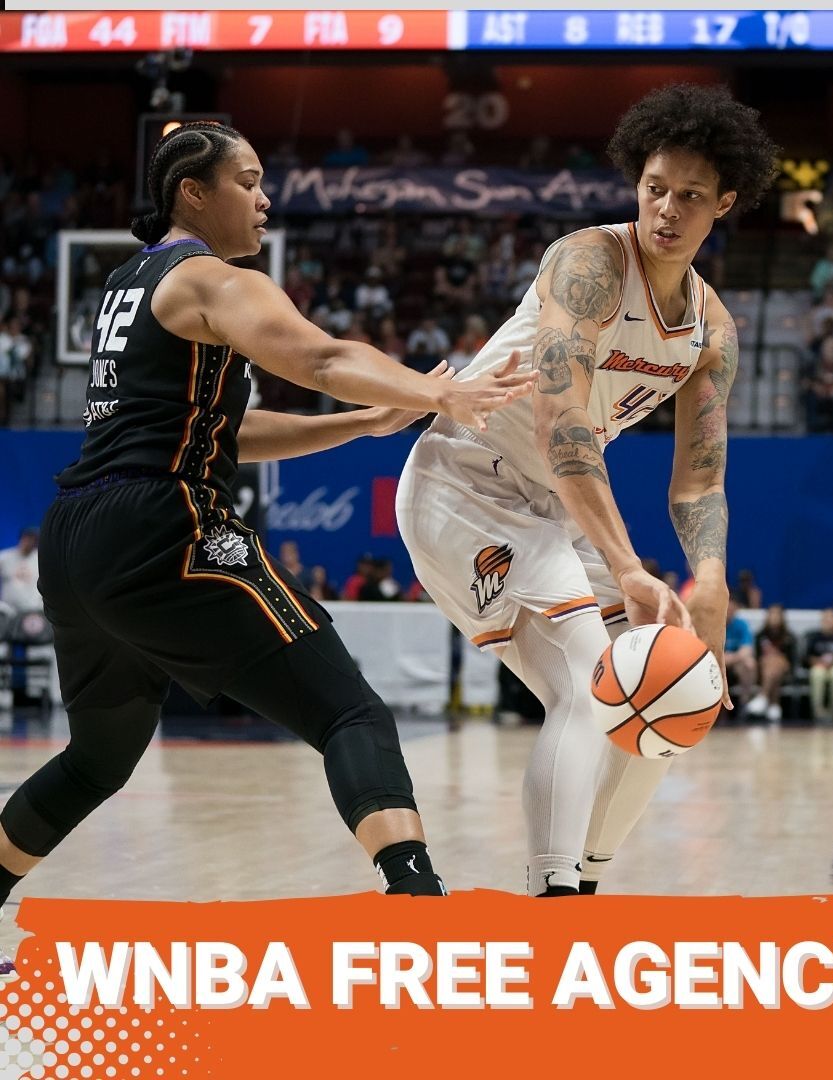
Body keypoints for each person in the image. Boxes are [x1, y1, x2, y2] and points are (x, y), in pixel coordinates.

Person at [3, 121, 535, 903]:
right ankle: (418, 902)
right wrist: (439, 391)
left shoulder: (130, 283)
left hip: (75, 539)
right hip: (162, 528)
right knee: (349, 711)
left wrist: (357, 424)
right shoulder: (209, 278)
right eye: (247, 181)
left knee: (97, 759)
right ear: (193, 191)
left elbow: (225, 431)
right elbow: (321, 358)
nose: (265, 197)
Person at [395, 85, 778, 896]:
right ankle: (552, 897)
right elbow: (559, 422)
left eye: (691, 196)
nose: (667, 209)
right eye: (655, 188)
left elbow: (700, 476)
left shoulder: (714, 331)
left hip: (553, 512)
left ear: (727, 204)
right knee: (586, 676)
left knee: (677, 688)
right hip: (466, 482)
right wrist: (629, 564)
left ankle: (590, 877)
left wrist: (707, 576)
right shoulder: (590, 263)